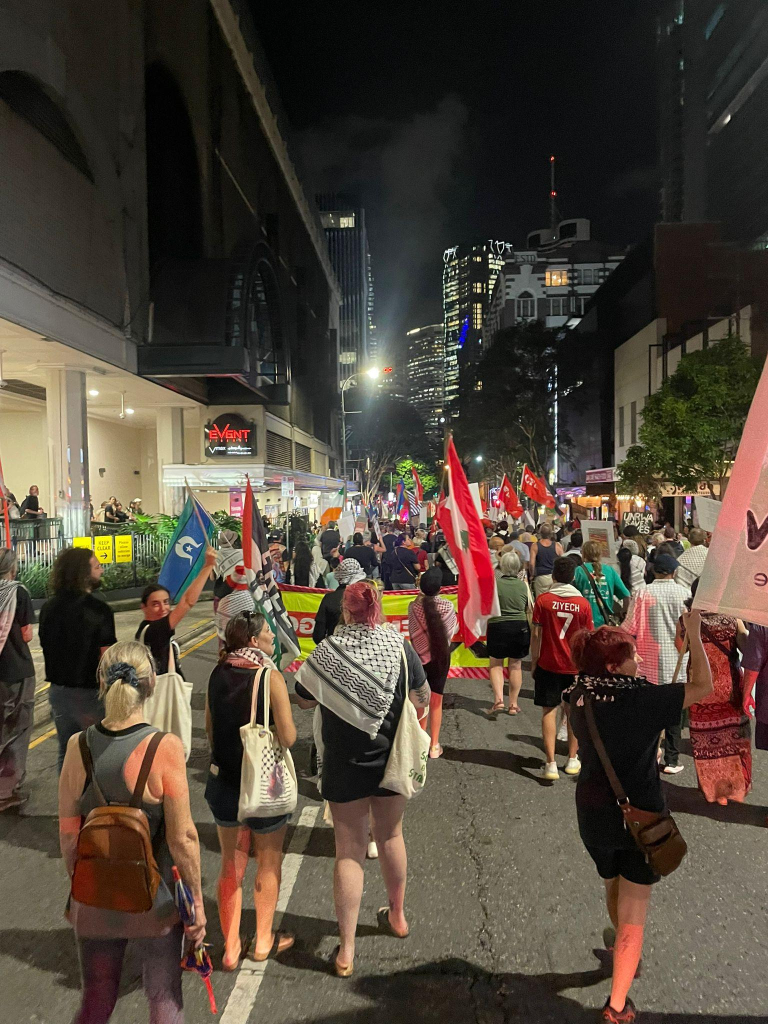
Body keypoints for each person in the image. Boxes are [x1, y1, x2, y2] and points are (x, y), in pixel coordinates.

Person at [565, 614, 712, 1024]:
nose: (639, 662)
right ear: (614, 665)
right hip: (642, 818)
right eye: (632, 656)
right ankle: (617, 1006)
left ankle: (620, 955)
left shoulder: (575, 694)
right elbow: (704, 685)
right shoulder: (644, 699)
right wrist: (695, 638)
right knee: (634, 915)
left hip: (592, 817)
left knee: (612, 881)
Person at [59, 641, 205, 1024]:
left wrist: (86, 881)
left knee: (96, 1001)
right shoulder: (164, 747)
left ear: (101, 682)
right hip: (153, 902)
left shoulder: (78, 747)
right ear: (151, 683)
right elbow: (183, 839)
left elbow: (68, 833)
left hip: (95, 898)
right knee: (163, 999)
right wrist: (196, 907)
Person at [294, 582, 429, 977]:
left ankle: (347, 951)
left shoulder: (328, 652)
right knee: (390, 837)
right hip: (391, 761)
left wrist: (339, 695)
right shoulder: (398, 646)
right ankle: (398, 916)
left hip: (343, 764)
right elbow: (422, 698)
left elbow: (302, 697)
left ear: (345, 611)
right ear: (378, 608)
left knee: (349, 852)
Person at [205, 611, 297, 967]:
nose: (273, 639)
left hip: (225, 782)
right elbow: (288, 737)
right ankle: (262, 941)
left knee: (231, 864)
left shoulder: (218, 672)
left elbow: (210, 729)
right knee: (269, 863)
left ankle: (229, 948)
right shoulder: (268, 676)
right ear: (253, 641)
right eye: (268, 635)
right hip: (263, 789)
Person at [40, 547, 117, 772]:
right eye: (96, 566)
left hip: (58, 691)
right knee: (98, 750)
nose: (101, 570)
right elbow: (107, 657)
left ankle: (68, 803)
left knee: (67, 750)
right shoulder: (99, 610)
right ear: (83, 573)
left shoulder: (48, 608)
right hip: (90, 692)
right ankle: (95, 803)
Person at [675, 580, 750, 804]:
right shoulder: (731, 618)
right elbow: (746, 648)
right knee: (734, 738)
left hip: (700, 689)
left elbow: (680, 649)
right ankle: (736, 789)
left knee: (705, 740)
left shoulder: (687, 620)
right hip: (730, 688)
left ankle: (713, 791)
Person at [623, 553, 689, 774]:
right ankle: (671, 760)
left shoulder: (643, 593)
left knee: (649, 712)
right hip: (677, 662)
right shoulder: (684, 594)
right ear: (674, 571)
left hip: (648, 662)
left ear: (653, 571)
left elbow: (630, 627)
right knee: (674, 711)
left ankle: (651, 754)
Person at [530, 556, 594, 780]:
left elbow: (536, 634)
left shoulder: (543, 601)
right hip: (575, 666)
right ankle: (573, 758)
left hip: (548, 662)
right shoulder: (583, 604)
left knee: (549, 710)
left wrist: (535, 660)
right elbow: (587, 638)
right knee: (574, 712)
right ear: (574, 576)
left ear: (554, 575)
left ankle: (550, 763)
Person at [137, 547, 217, 674]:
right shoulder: (154, 630)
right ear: (143, 607)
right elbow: (187, 602)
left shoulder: (146, 629)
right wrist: (208, 566)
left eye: (166, 602)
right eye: (155, 604)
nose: (163, 608)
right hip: (163, 691)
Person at [407, 567, 458, 758]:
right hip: (440, 658)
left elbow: (413, 632)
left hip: (418, 658)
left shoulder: (413, 606)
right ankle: (434, 746)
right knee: (436, 700)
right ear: (440, 588)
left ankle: (420, 742)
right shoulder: (447, 607)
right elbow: (451, 633)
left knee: (420, 700)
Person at [0, 548, 35, 811]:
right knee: (17, 728)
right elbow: (27, 635)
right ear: (12, 568)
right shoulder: (17, 592)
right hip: (16, 669)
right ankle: (6, 790)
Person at [484, 551, 531, 716]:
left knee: (496, 664)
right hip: (520, 627)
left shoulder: (494, 583)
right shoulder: (523, 584)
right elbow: (528, 607)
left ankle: (498, 700)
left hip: (498, 626)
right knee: (516, 665)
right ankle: (513, 704)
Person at [574, 541, 630, 628]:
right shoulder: (609, 571)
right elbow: (626, 595)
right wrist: (624, 611)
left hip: (584, 621)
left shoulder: (578, 571)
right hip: (605, 621)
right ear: (600, 554)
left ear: (584, 554)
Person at [313, 559, 367, 643]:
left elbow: (318, 635)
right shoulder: (366, 598)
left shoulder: (329, 598)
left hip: (334, 649)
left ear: (338, 578)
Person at [214, 564, 255, 646]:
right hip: (246, 642)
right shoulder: (252, 600)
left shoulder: (223, 602)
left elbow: (219, 622)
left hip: (228, 638)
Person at [528, 524, 563, 597]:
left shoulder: (535, 546)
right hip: (553, 577)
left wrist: (532, 574)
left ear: (540, 533)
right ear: (551, 533)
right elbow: (562, 561)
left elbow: (531, 563)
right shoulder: (557, 546)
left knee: (540, 600)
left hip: (540, 577)